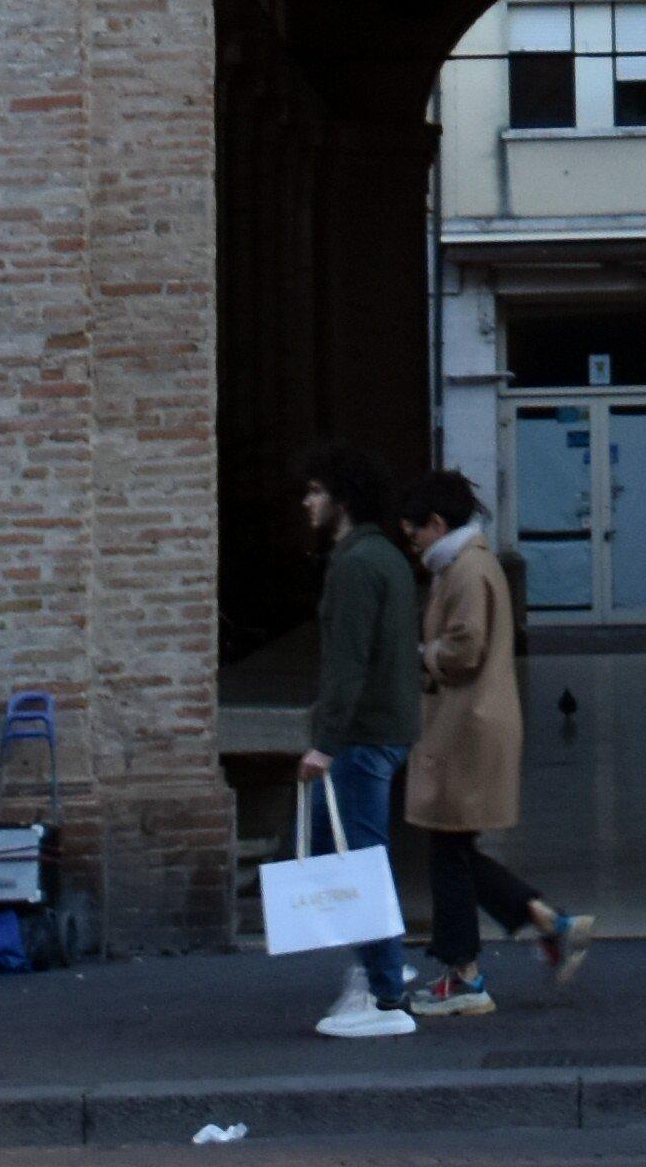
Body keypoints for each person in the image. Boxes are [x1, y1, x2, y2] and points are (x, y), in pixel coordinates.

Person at [397, 469, 583, 1013]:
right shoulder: (464, 565)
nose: (413, 544)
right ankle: (546, 923)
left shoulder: (466, 569)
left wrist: (423, 655)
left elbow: (464, 648)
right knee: (451, 847)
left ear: (437, 523)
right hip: (468, 722)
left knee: (447, 849)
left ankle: (465, 976)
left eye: (415, 533)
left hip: (466, 724)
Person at [290, 444, 426, 1041]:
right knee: (351, 852)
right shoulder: (386, 557)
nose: (307, 501)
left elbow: (349, 664)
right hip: (384, 729)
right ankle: (378, 968)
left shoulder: (353, 565)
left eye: (316, 490)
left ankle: (385, 990)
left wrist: (325, 743)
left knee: (356, 860)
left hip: (362, 737)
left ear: (341, 499)